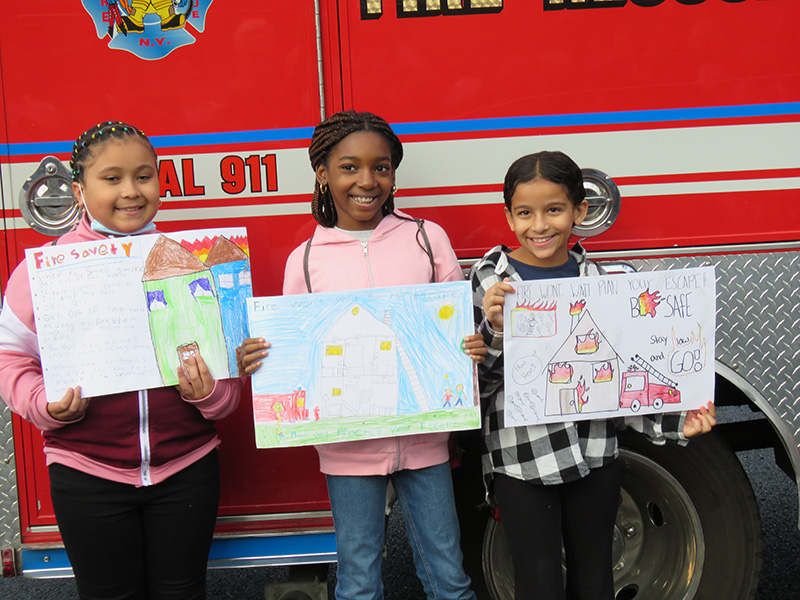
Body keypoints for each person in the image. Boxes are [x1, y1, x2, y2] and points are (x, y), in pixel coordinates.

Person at [239, 110, 485, 600]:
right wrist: (262, 357)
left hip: (425, 438)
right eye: (349, 167)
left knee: (450, 578)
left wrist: (471, 344)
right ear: (322, 173)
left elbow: (454, 328)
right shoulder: (306, 259)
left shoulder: (425, 237)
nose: (367, 181)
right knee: (358, 580)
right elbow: (295, 352)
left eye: (382, 167)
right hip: (347, 449)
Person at [0, 121, 243, 600]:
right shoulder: (43, 270)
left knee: (183, 592)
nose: (131, 191)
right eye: (112, 178)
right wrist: (42, 403)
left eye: (144, 176)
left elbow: (228, 384)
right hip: (86, 470)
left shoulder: (192, 263)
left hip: (187, 467)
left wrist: (211, 394)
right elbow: (10, 358)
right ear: (79, 189)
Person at [470, 150, 717, 600]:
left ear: (580, 212)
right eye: (525, 213)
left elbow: (623, 382)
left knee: (595, 578)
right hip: (523, 461)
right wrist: (497, 330)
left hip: (595, 454)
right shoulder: (492, 279)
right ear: (508, 216)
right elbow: (479, 384)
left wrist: (678, 421)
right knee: (537, 583)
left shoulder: (605, 282)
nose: (539, 225)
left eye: (554, 210)